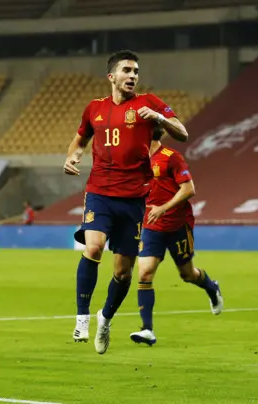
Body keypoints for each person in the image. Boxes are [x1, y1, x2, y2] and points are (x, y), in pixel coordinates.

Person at [63, 49, 189, 355]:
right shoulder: (94, 109)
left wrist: (159, 117)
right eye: (127, 71)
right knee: (93, 247)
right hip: (99, 192)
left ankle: (104, 318)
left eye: (135, 71)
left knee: (123, 273)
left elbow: (182, 133)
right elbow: (80, 140)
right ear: (112, 77)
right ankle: (81, 317)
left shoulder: (149, 103)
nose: (132, 76)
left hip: (134, 200)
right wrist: (72, 156)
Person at [129, 131, 223, 346]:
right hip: (151, 225)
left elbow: (189, 189)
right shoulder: (136, 160)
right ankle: (147, 330)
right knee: (144, 273)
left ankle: (211, 287)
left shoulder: (171, 156)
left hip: (177, 224)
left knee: (187, 274)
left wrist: (164, 208)